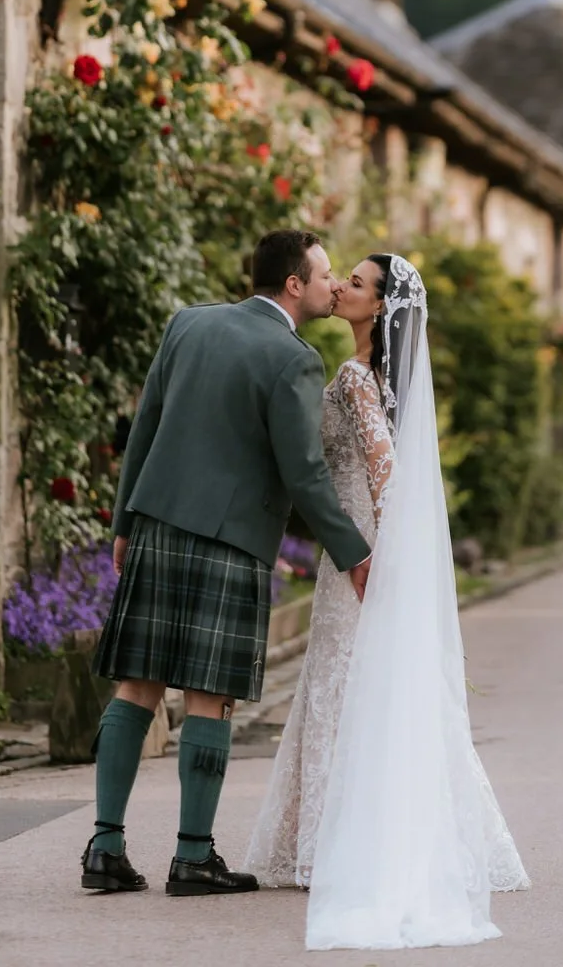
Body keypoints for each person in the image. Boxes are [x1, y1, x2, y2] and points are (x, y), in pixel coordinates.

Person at [246, 252, 530, 950]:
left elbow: (383, 468)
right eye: (340, 275)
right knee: (358, 682)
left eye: (357, 283)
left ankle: (329, 843)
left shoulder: (350, 378)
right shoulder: (372, 376)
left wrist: (377, 558)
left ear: (379, 308)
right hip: (360, 545)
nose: (340, 285)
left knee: (345, 682)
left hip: (358, 552)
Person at [82, 230, 374, 899]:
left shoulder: (188, 323)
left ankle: (103, 847)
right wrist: (353, 549)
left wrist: (125, 520)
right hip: (230, 542)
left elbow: (145, 426)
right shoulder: (292, 359)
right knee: (209, 698)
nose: (334, 286)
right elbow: (302, 471)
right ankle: (192, 859)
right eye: (326, 274)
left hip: (156, 526)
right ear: (293, 285)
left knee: (136, 686)